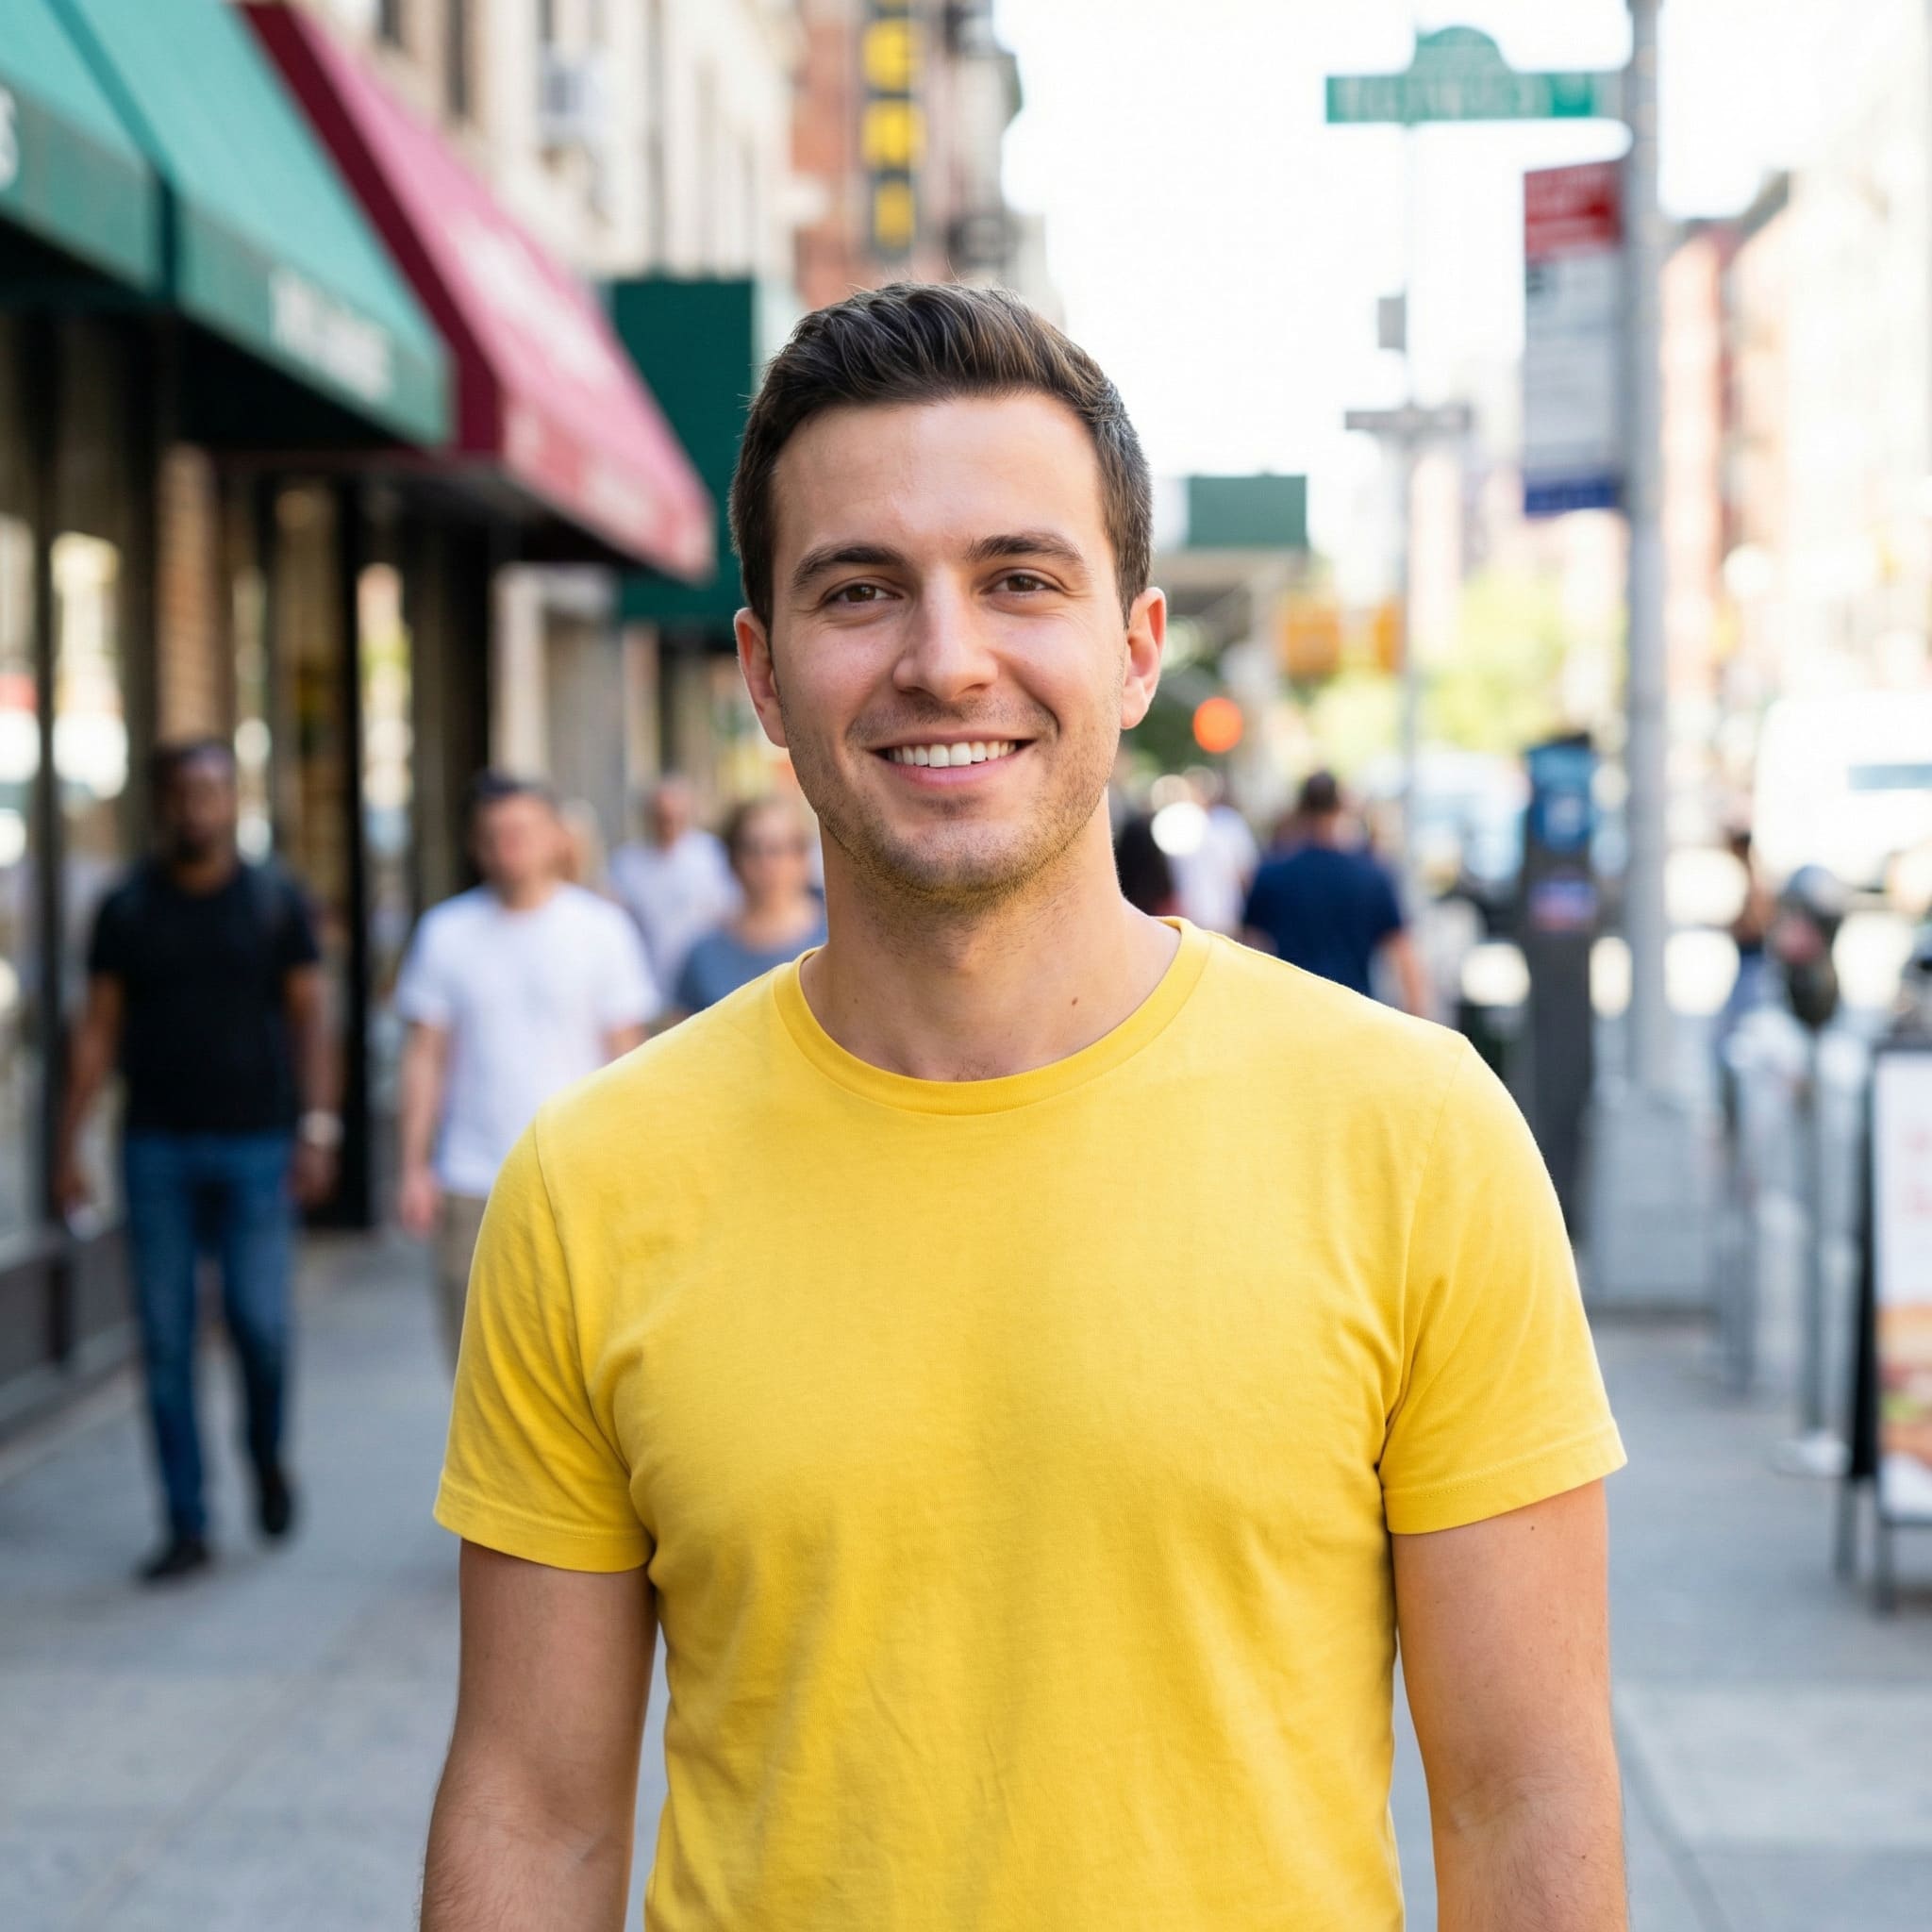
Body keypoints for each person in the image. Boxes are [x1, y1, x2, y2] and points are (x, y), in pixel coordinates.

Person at [423, 284, 1626, 1930]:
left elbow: (1524, 1797)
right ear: (765, 677)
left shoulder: (1412, 1137)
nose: (944, 656)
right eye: (860, 590)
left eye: (1018, 578)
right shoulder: (592, 1177)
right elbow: (532, 1809)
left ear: (1133, 649)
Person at [55, 740, 335, 1584]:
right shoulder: (128, 908)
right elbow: (98, 1028)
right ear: (161, 803)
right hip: (156, 1147)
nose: (196, 807)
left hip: (257, 1144)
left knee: (260, 1324)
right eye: (181, 793)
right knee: (167, 1340)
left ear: (233, 799)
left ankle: (266, 1457)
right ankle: (186, 1522)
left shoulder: (275, 900)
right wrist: (70, 1142)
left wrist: (318, 1127)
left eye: (211, 791)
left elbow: (311, 1019)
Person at [394, 774, 658, 1365]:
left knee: (581, 1359)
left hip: (579, 1179)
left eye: (522, 831)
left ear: (554, 838)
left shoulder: (601, 930)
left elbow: (629, 1059)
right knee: (472, 1364)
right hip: (470, 1179)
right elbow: (424, 1057)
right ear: (476, 845)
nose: (509, 845)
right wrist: (413, 1166)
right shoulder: (445, 932)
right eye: (495, 835)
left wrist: (634, 1168)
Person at [1243, 768, 1432, 1016]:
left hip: (1292, 1014)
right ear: (1340, 808)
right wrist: (1417, 1022)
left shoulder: (1272, 873)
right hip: (1354, 1016)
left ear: (1300, 809)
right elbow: (1404, 957)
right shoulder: (1372, 875)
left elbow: (1248, 949)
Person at [671, 795, 825, 1015]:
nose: (767, 864)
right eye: (752, 849)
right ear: (732, 859)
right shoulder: (703, 956)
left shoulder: (838, 940)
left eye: (778, 848)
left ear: (803, 857)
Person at [608, 774, 740, 989]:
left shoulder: (711, 856)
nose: (668, 823)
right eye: (661, 817)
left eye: (674, 816)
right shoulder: (627, 865)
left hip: (706, 977)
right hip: (650, 980)